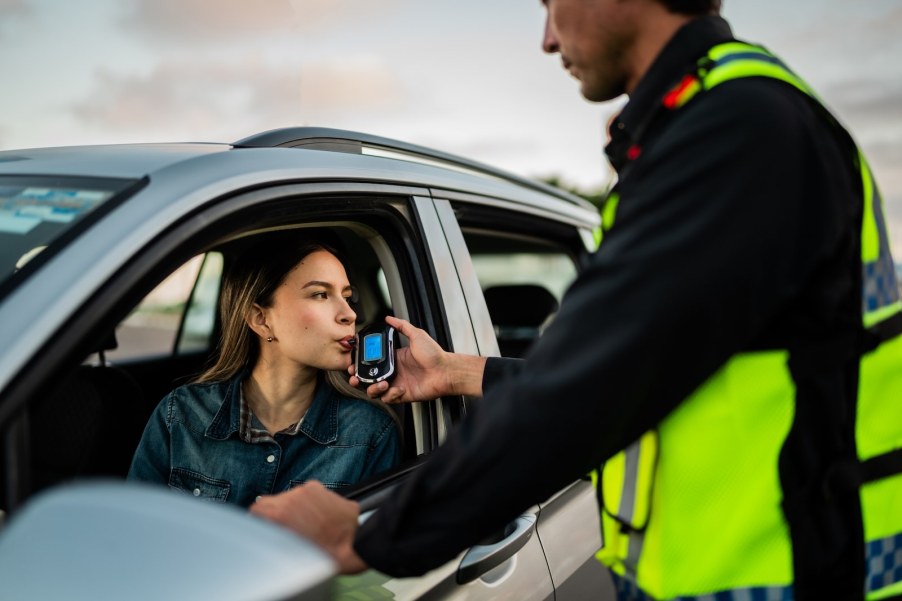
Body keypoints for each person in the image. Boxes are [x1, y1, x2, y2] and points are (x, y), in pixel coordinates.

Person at [250, 1, 902, 599]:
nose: (545, 38)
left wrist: (362, 534)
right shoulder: (718, 120)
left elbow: (581, 392)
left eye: (548, 2)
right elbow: (635, 367)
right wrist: (453, 371)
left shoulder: (739, 130)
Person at [128, 232, 401, 507]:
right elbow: (135, 536)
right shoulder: (181, 417)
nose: (350, 314)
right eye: (320, 294)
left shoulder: (370, 433)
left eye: (347, 296)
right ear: (261, 319)